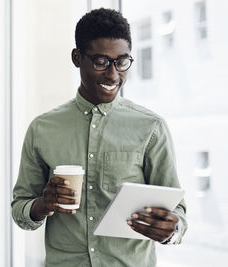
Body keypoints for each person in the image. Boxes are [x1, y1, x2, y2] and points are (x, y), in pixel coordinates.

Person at [11, 8, 187, 267]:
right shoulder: (42, 129)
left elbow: (178, 213)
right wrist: (42, 204)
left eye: (122, 61)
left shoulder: (151, 127)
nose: (113, 75)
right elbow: (20, 210)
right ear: (77, 57)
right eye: (101, 62)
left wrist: (171, 230)